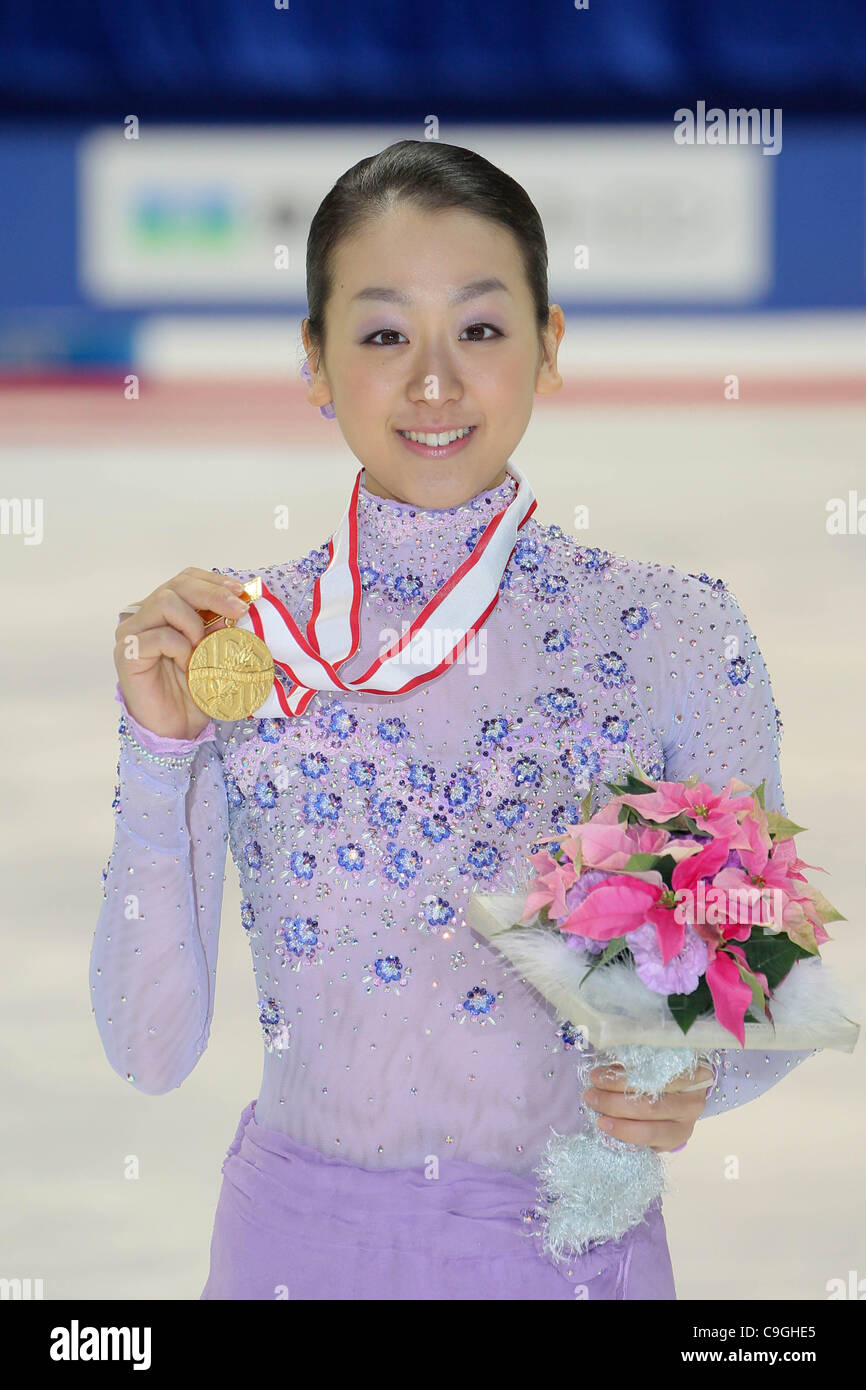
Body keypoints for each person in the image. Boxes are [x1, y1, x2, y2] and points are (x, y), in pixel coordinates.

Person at [90, 139, 817, 1300]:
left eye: (478, 330)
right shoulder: (246, 644)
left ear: (550, 344)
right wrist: (157, 749)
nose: (432, 382)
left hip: (564, 1259)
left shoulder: (672, 633)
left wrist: (682, 1078)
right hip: (293, 1254)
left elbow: (749, 984)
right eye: (382, 336)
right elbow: (149, 1049)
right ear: (315, 361)